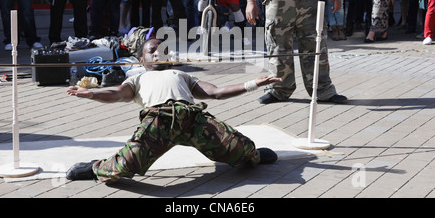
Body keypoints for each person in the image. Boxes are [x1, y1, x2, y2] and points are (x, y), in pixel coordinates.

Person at [65, 38, 280, 183]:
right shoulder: (137, 78)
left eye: (164, 51)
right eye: (152, 51)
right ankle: (95, 168)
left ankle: (255, 156)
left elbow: (217, 92)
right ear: (142, 59)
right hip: (159, 122)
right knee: (127, 164)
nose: (159, 54)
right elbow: (116, 94)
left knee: (240, 147)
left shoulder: (181, 75)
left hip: (194, 121)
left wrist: (253, 83)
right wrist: (91, 94)